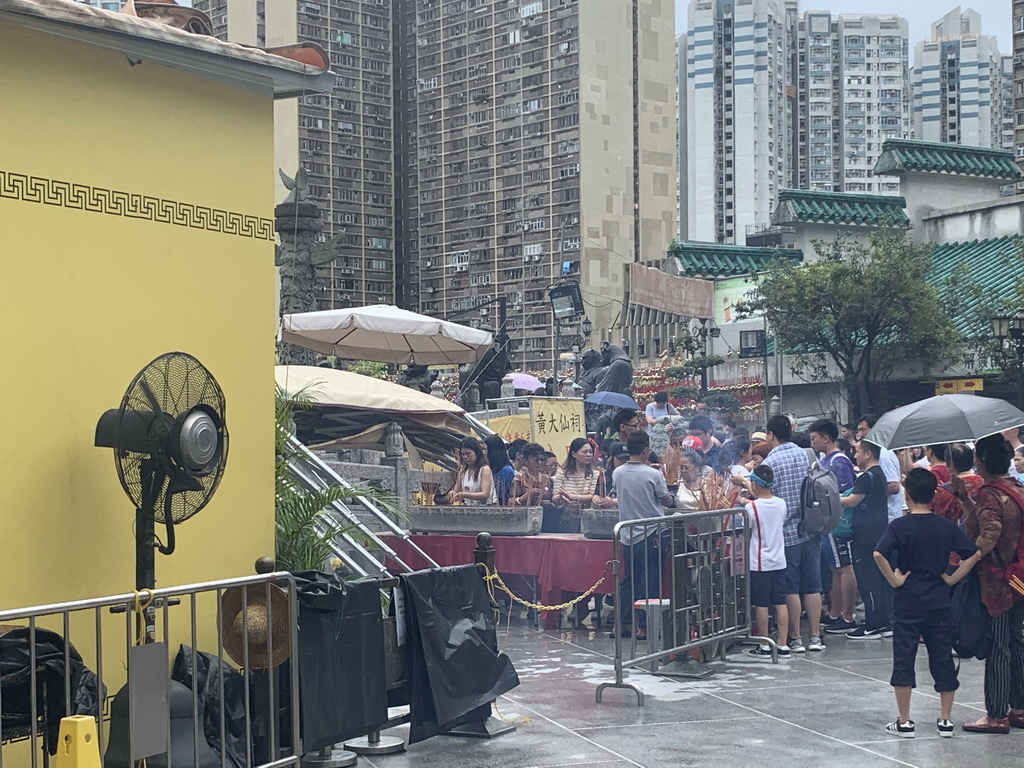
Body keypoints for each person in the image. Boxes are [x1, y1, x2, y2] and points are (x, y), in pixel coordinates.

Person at [873, 469, 981, 739]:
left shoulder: (899, 526)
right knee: (942, 656)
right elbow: (973, 553)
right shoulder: (944, 526)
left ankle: (905, 720)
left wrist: (894, 580)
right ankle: (945, 719)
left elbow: (878, 553)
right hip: (938, 600)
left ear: (907, 494)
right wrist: (952, 578)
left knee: (904, 657)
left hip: (908, 600)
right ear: (934, 495)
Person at [952, 434, 1024, 734]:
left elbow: (989, 532)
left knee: (998, 645)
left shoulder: (990, 494)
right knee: (1017, 643)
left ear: (982, 462)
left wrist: (970, 560)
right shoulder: (1016, 488)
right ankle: (1019, 708)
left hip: (996, 581)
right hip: (1019, 578)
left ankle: (996, 714)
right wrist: (965, 499)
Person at [762, 414, 821, 653]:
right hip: (810, 527)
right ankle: (815, 636)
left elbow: (765, 494)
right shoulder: (806, 454)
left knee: (791, 588)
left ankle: (795, 638)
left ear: (771, 434)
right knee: (813, 585)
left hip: (785, 533)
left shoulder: (771, 462)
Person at [613, 430, 674, 638]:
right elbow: (666, 499)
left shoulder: (618, 473)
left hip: (627, 533)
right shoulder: (653, 475)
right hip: (651, 533)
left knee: (629, 579)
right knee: (650, 580)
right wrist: (670, 498)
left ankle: (623, 623)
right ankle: (644, 626)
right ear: (646, 449)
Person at [809, 419, 859, 634]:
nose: (812, 442)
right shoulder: (825, 460)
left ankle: (847, 615)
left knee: (844, 567)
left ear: (826, 438)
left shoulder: (838, 461)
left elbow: (846, 492)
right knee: (835, 568)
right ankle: (835, 612)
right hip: (827, 521)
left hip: (838, 522)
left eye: (814, 438)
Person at [841, 440, 892, 638]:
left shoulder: (866, 477)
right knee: (879, 579)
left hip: (864, 535)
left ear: (868, 453)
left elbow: (852, 501)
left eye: (858, 452)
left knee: (866, 579)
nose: (855, 456)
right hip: (879, 532)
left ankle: (871, 624)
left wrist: (831, 498)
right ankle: (884, 622)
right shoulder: (880, 474)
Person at [744, 464, 791, 659]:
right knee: (780, 601)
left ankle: (764, 644)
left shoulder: (751, 507)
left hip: (760, 561)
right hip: (779, 560)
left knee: (761, 603)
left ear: (755, 484)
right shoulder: (781, 503)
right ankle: (782, 643)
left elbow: (748, 529)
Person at [552, 437, 612, 524]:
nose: (589, 455)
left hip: (589, 519)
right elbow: (555, 496)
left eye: (590, 452)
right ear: (574, 454)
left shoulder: (596, 474)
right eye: (585, 452)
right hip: (567, 519)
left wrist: (573, 497)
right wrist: (560, 497)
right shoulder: (561, 472)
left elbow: (593, 496)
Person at [856, 414, 904, 521]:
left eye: (863, 430)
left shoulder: (884, 453)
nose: (860, 434)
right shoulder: (873, 451)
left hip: (889, 516)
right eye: (858, 431)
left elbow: (894, 486)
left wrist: (866, 492)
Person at [449, 437, 495, 505]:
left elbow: (485, 494)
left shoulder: (485, 469)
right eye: (463, 454)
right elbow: (456, 491)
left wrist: (464, 494)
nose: (465, 457)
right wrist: (452, 493)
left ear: (476, 453)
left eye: (468, 453)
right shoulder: (462, 471)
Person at [510, 442, 547, 507]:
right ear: (526, 461)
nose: (539, 462)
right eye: (535, 460)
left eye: (541, 459)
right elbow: (510, 502)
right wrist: (526, 496)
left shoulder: (547, 479)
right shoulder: (519, 479)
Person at [485, 434, 515, 505]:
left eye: (485, 449)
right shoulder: (488, 468)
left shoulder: (506, 470)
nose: (483, 452)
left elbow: (500, 494)